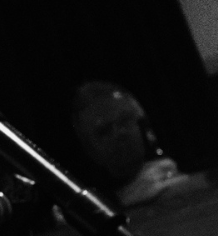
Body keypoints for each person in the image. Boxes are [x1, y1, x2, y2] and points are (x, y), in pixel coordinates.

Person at [69, 81, 202, 209]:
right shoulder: (94, 209)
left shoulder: (189, 182)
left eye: (125, 120)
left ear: (143, 124)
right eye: (104, 131)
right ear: (90, 150)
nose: (119, 133)